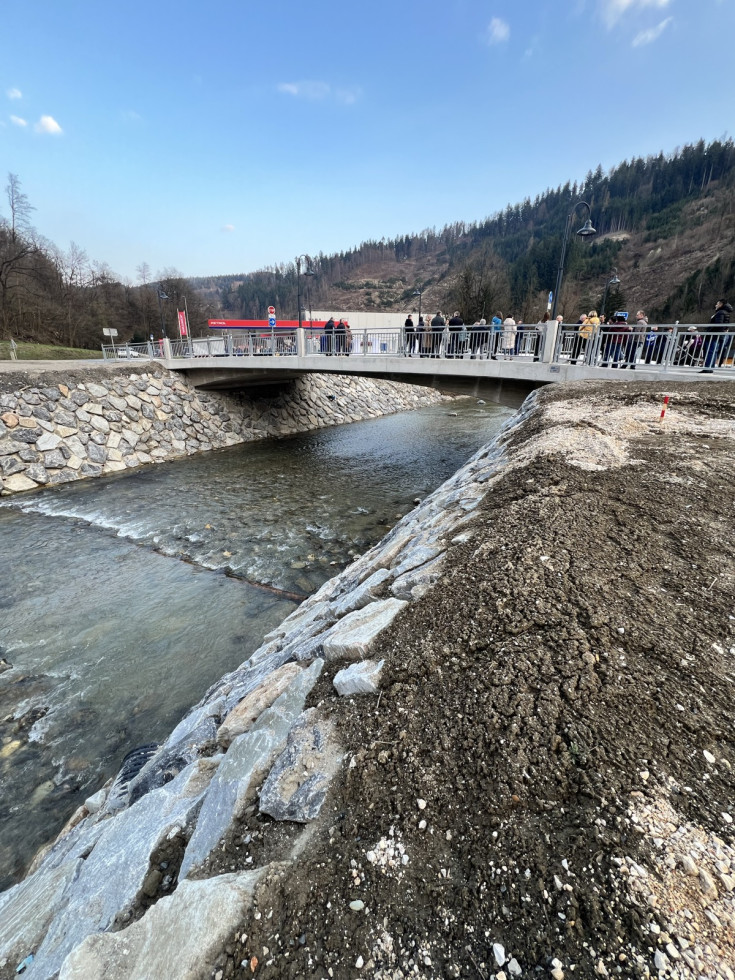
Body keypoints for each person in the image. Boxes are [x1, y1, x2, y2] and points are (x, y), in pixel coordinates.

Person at [701, 299, 733, 373]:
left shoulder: (720, 312)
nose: (716, 305)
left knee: (710, 351)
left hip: (714, 335)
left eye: (717, 304)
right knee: (713, 351)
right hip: (717, 335)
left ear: (721, 304)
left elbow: (719, 324)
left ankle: (708, 367)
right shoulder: (725, 312)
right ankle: (710, 367)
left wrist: (708, 331)